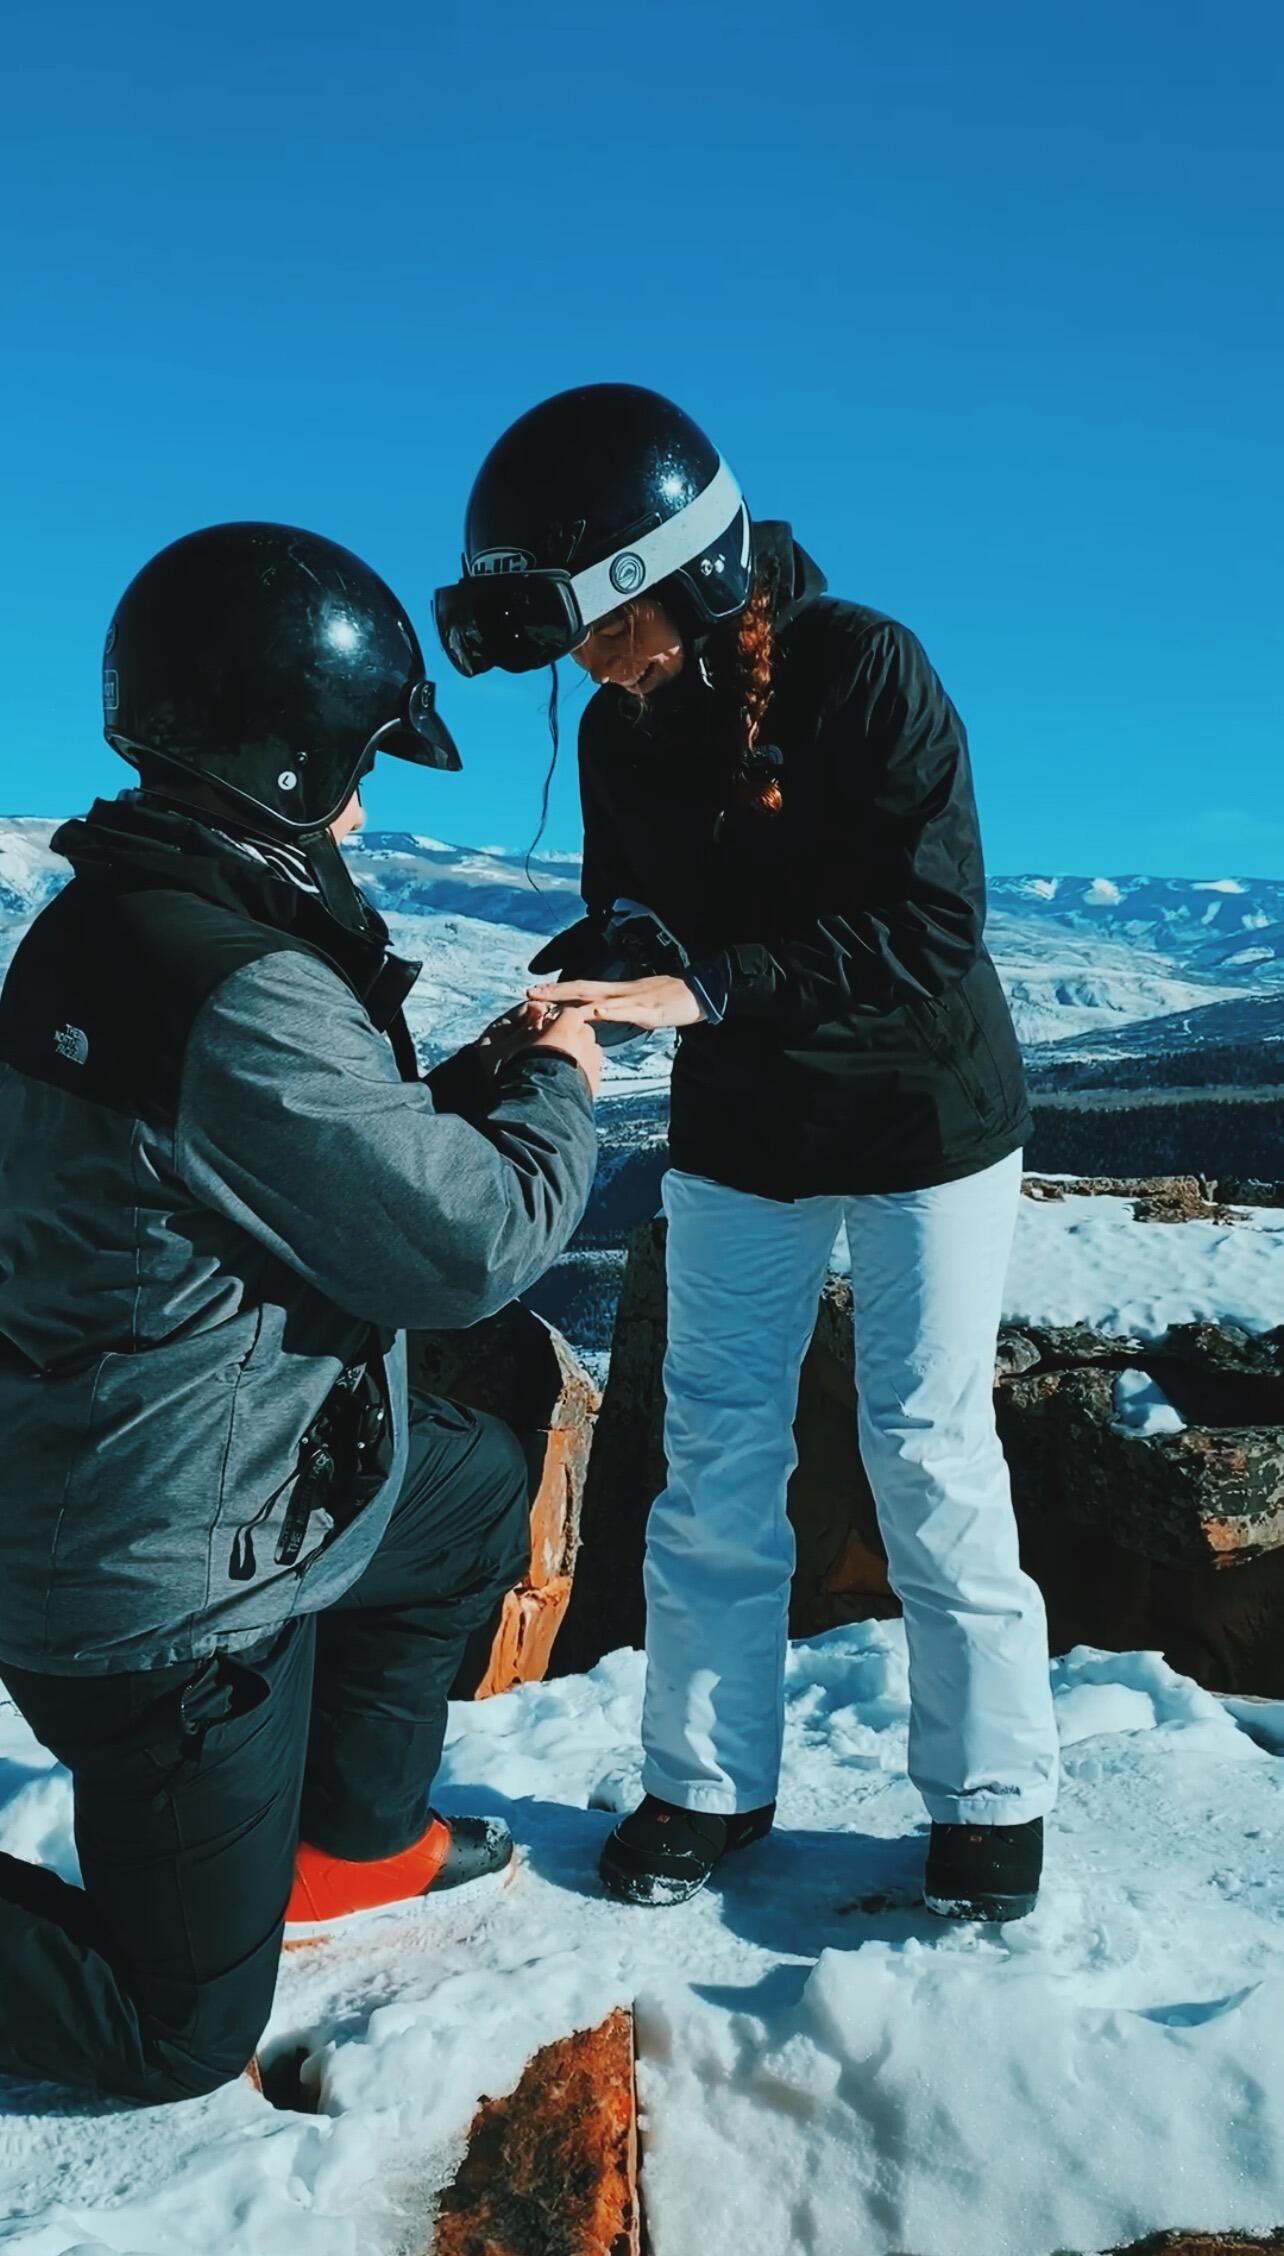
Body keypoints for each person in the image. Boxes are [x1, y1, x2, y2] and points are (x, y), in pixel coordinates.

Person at [434, 384, 1060, 1920]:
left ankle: (992, 1801)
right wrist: (597, 967)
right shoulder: (621, 725)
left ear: (686, 571)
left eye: (601, 623)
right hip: (745, 1129)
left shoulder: (866, 671)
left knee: (924, 1450)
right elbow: (643, 902)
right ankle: (708, 1783)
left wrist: (710, 985)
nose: (589, 661)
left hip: (926, 1122)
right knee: (714, 1453)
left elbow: (930, 929)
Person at [0, 521, 601, 2104]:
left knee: (470, 1492)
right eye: (357, 761)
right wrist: (553, 1083)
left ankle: (347, 1849)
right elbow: (469, 1247)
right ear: (286, 755)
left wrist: (452, 1086)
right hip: (158, 1592)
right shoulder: (237, 984)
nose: (366, 796)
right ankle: (240, 1894)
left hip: (217, 1485)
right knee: (172, 2034)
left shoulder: (124, 923)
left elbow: (273, 1171)